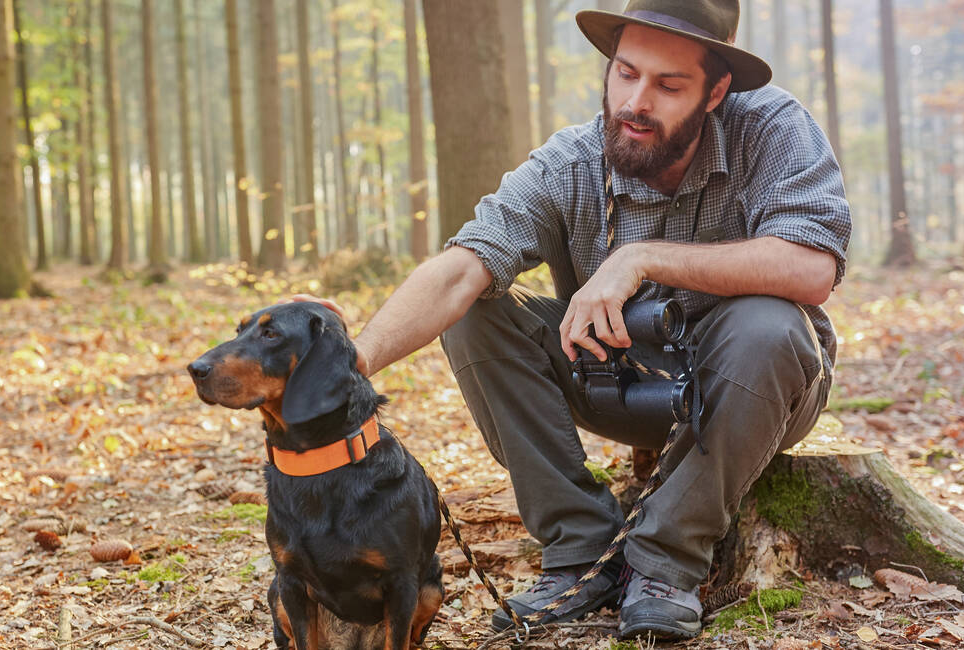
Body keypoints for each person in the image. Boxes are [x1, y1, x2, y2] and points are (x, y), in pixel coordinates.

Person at [298, 0, 850, 641]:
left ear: (716, 90)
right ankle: (579, 547)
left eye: (669, 85)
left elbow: (812, 267)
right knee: (478, 312)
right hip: (615, 380)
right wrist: (355, 359)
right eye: (625, 72)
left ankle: (664, 564)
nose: (635, 102)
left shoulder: (773, 128)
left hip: (758, 389)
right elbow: (460, 267)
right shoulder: (572, 161)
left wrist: (637, 259)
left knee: (767, 325)